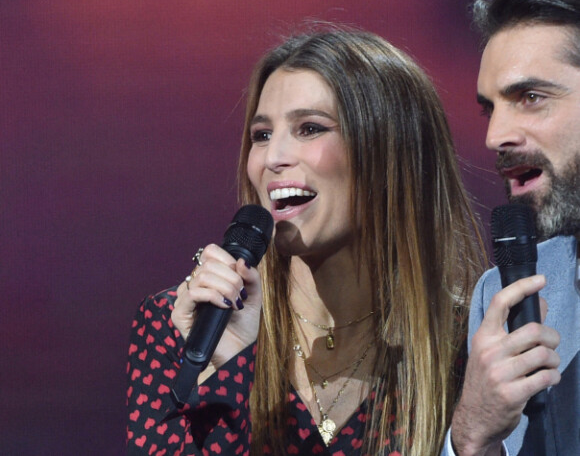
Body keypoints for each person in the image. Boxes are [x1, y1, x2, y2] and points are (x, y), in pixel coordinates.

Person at [126, 27, 484, 455]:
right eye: (261, 135)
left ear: (391, 152)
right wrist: (232, 367)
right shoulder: (183, 327)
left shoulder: (464, 344)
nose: (272, 158)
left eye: (310, 128)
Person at [445, 0, 580, 455]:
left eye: (530, 97)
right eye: (491, 108)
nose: (494, 136)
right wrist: (473, 436)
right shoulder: (503, 295)